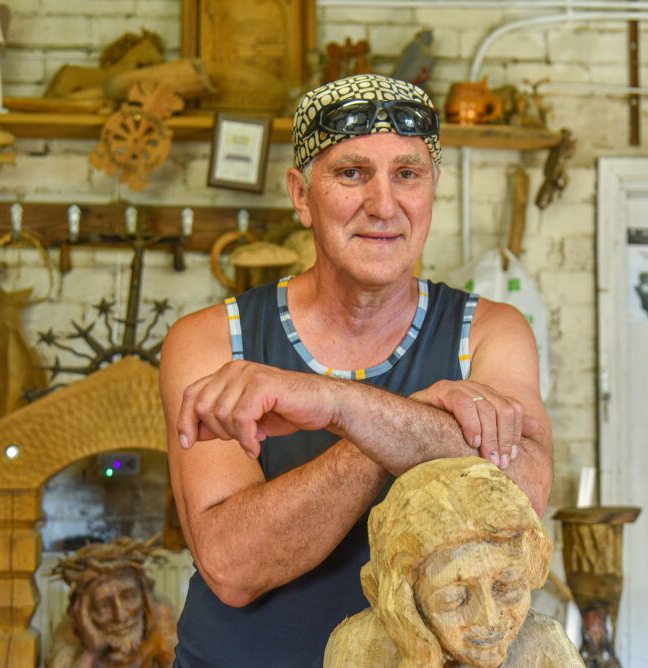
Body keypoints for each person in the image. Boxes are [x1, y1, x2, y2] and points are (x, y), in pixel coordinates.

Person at [159, 73, 553, 666]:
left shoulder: (489, 331)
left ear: (432, 189)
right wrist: (412, 426)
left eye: (407, 174)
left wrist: (340, 405)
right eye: (351, 173)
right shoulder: (212, 340)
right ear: (301, 195)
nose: (383, 204)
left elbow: (521, 498)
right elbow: (233, 566)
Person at [324, 456, 584, 667]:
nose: (490, 618)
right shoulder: (360, 646)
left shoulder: (544, 645)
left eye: (508, 587)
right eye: (454, 599)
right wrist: (419, 660)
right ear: (406, 598)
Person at [46, 538, 177, 668]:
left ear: (144, 594)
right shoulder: (74, 629)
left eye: (129, 597)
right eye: (103, 606)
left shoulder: (157, 614)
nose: (120, 616)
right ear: (84, 610)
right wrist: (90, 653)